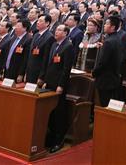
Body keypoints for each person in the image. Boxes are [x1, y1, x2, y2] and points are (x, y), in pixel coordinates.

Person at [44, 24, 76, 154]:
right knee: (50, 112)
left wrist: (61, 85)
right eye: (56, 29)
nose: (56, 32)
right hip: (50, 83)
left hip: (59, 85)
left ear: (66, 33)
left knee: (59, 112)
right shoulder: (54, 45)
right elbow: (49, 65)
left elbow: (66, 69)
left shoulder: (68, 47)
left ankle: (59, 140)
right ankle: (51, 137)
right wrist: (46, 81)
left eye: (60, 30)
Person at [93, 15, 124, 107]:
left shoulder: (109, 42)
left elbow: (103, 62)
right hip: (113, 79)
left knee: (105, 105)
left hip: (106, 80)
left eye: (106, 24)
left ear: (113, 27)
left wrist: (94, 72)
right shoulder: (117, 38)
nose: (104, 26)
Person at [25, 15, 54, 84]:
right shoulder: (36, 35)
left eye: (40, 21)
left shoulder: (50, 37)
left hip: (38, 73)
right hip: (30, 71)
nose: (37, 22)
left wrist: (41, 76)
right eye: (37, 20)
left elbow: (46, 58)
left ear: (47, 23)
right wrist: (26, 71)